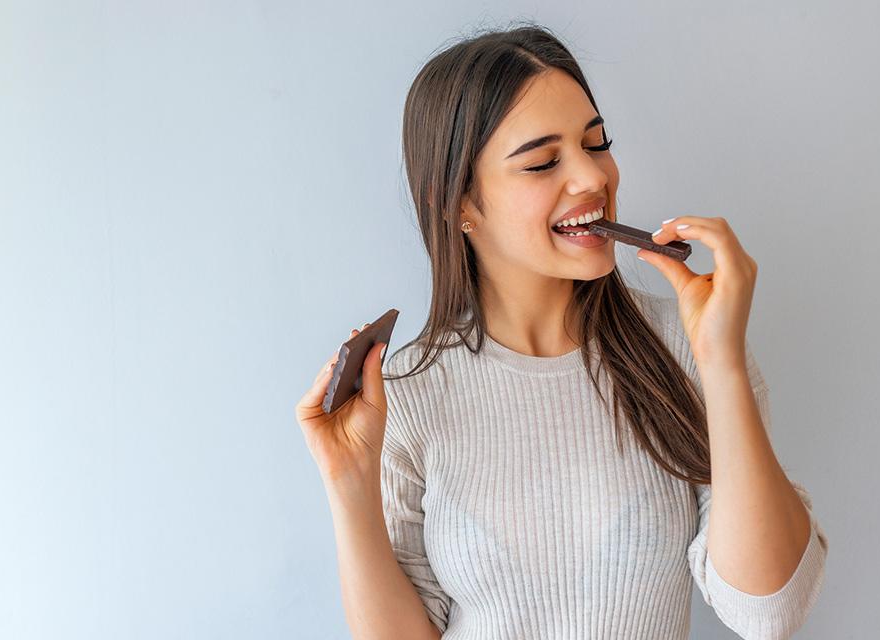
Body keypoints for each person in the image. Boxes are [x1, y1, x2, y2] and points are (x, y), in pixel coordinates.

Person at [296, 23, 827, 640]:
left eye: (596, 143)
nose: (592, 177)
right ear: (458, 205)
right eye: (544, 161)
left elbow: (769, 613)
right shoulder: (403, 396)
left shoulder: (685, 345)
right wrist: (348, 485)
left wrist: (722, 361)